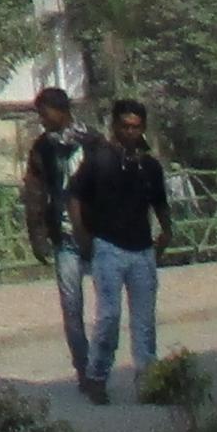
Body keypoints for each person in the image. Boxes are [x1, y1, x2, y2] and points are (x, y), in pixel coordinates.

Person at [67, 99, 172, 404]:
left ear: (143, 128)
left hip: (142, 250)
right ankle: (97, 376)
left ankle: (149, 381)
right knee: (109, 316)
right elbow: (74, 195)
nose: (130, 132)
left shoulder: (149, 166)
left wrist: (167, 231)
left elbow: (160, 202)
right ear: (114, 126)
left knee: (144, 322)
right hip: (108, 247)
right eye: (124, 126)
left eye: (135, 127)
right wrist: (81, 233)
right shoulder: (99, 160)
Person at [16, 85, 93, 383]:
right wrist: (38, 235)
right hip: (65, 238)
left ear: (62, 111)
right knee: (71, 308)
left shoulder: (92, 141)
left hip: (99, 235)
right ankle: (84, 369)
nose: (42, 121)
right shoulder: (42, 148)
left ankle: (100, 364)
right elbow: (34, 192)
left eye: (45, 114)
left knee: (109, 308)